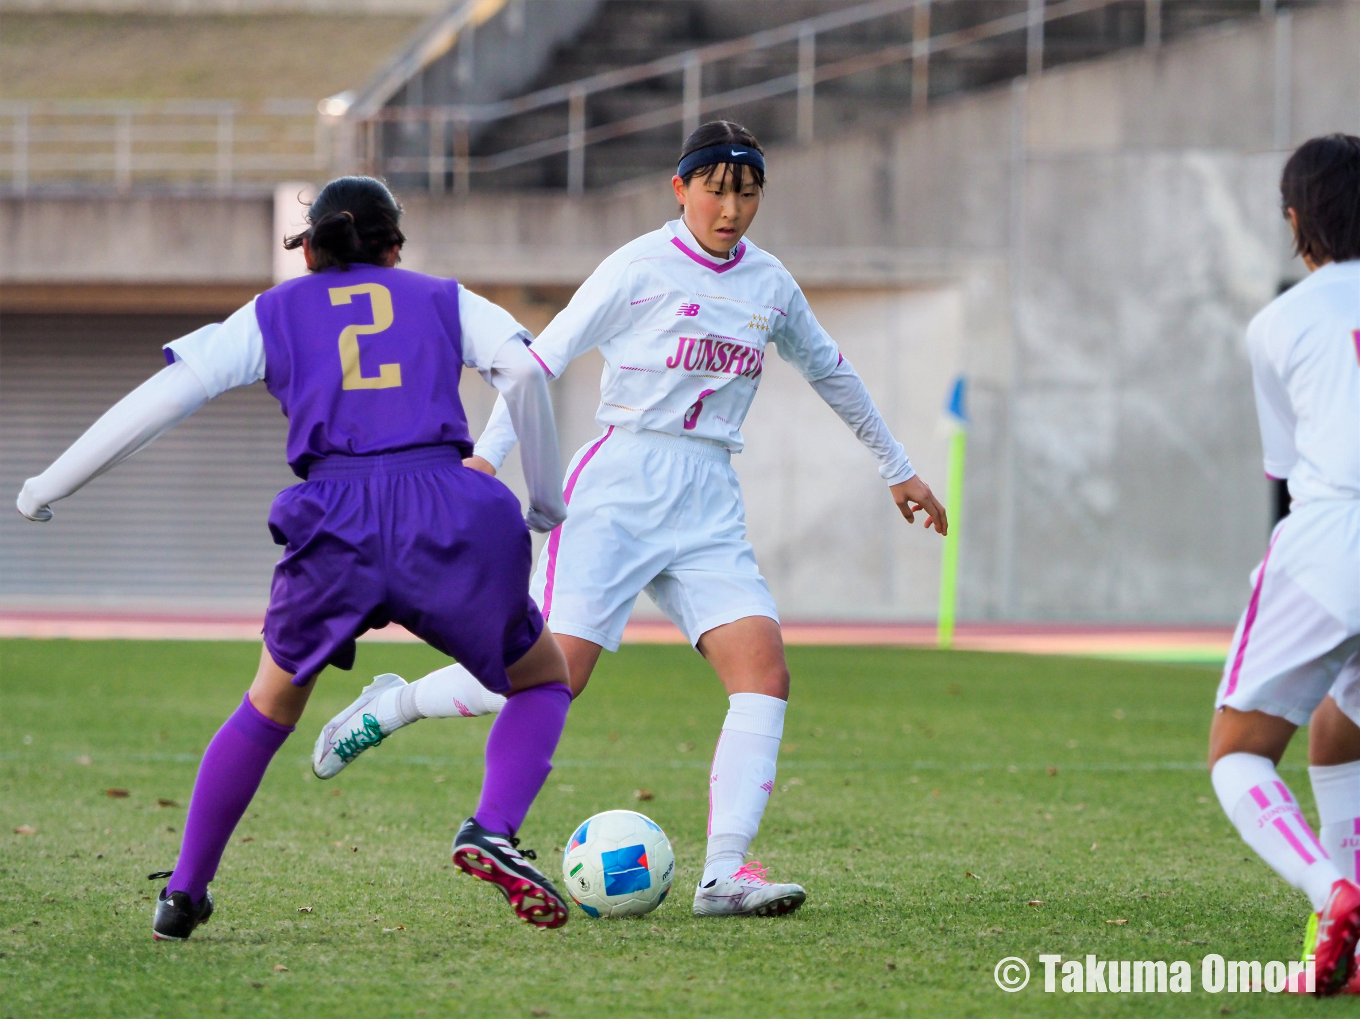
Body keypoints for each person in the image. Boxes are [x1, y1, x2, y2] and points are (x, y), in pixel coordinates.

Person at [314, 123, 947, 918]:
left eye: (746, 191)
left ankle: (724, 872)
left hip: (709, 492)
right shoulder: (638, 266)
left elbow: (831, 369)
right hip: (618, 487)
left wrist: (899, 468)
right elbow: (537, 362)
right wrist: (485, 461)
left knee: (764, 672)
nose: (731, 207)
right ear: (679, 189)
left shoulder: (771, 285)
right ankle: (394, 702)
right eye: (714, 189)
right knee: (551, 674)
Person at [16, 176, 577, 938]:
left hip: (335, 519)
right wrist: (544, 497)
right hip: (445, 508)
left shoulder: (274, 310)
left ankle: (184, 891)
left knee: (269, 704)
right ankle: (492, 828)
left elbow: (167, 395)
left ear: (309, 248)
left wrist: (49, 483)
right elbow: (519, 370)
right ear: (395, 247)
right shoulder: (443, 297)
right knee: (542, 677)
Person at [1207, 134, 1360, 996]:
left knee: (1238, 751)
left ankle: (1330, 891)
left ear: (1296, 219)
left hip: (1334, 537)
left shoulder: (1280, 321)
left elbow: (1286, 464)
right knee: (1344, 726)